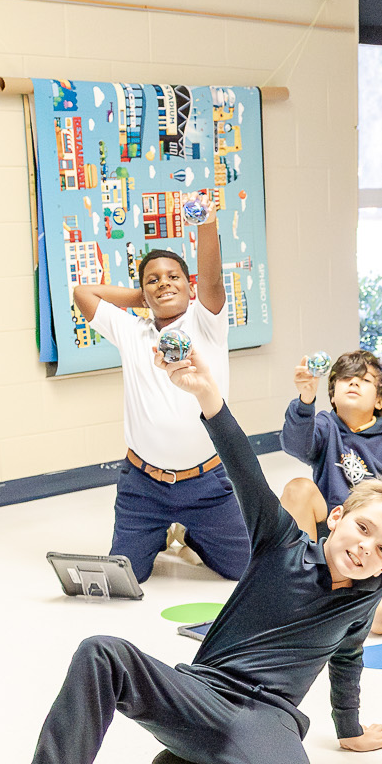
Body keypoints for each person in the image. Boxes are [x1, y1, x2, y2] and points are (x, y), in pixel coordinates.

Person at [0, 349, 382, 764]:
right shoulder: (280, 540)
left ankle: (201, 759)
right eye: (364, 529)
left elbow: (348, 659)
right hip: (201, 691)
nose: (367, 547)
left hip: (265, 718)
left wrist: (349, 732)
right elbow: (244, 467)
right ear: (337, 517)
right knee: (101, 650)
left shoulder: (366, 600)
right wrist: (208, 396)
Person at [71, 204, 251, 583]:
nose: (164, 283)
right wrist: (143, 297)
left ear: (191, 287)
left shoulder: (207, 321)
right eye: (153, 280)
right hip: (143, 487)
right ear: (141, 293)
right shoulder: (132, 331)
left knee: (244, 570)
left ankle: (187, 534)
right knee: (128, 577)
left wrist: (207, 222)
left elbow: (214, 282)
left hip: (208, 484)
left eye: (174, 278)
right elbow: (83, 292)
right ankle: (157, 533)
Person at [281, 348, 382, 637]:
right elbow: (295, 444)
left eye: (364, 380)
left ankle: (336, 601)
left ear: (380, 399)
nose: (353, 383)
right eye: (345, 379)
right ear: (333, 396)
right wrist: (306, 399)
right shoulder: (325, 425)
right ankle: (306, 577)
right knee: (298, 488)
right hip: (333, 533)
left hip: (375, 544)